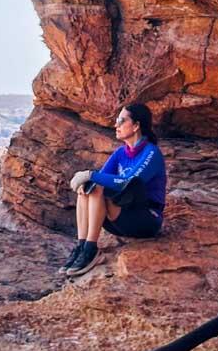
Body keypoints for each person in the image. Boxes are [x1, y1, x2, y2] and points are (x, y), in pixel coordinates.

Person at [61, 101, 167, 277]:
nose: (115, 125)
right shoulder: (120, 153)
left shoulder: (151, 152)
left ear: (136, 126)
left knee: (95, 182)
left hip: (146, 221)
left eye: (121, 120)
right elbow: (101, 179)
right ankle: (82, 246)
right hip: (119, 220)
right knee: (88, 188)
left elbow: (128, 182)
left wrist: (89, 174)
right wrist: (88, 180)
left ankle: (91, 249)